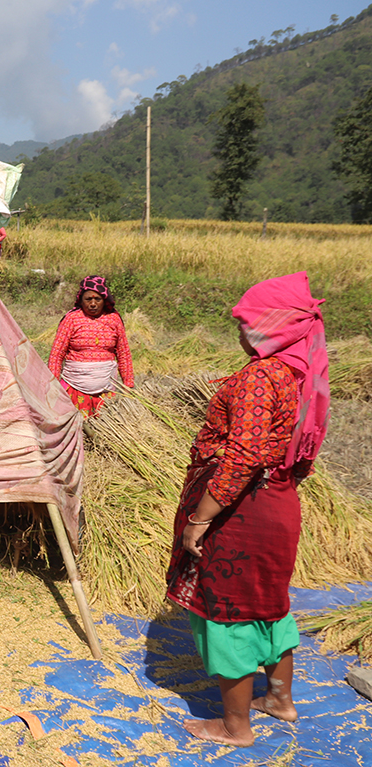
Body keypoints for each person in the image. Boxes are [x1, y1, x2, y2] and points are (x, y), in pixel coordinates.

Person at [166, 272, 329, 748]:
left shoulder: (262, 375)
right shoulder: (302, 369)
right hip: (277, 500)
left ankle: (235, 727)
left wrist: (200, 520)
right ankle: (280, 700)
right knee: (268, 605)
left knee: (227, 612)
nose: (241, 332)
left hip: (243, 512)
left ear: (276, 325)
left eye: (249, 324)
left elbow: (244, 456)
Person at [47, 275, 134, 416]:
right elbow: (57, 354)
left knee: (105, 430)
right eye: (88, 299)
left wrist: (128, 384)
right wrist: (54, 384)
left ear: (104, 300)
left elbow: (124, 354)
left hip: (106, 392)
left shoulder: (114, 319)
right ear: (81, 300)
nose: (93, 304)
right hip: (74, 388)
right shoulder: (71, 319)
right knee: (76, 429)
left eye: (97, 299)